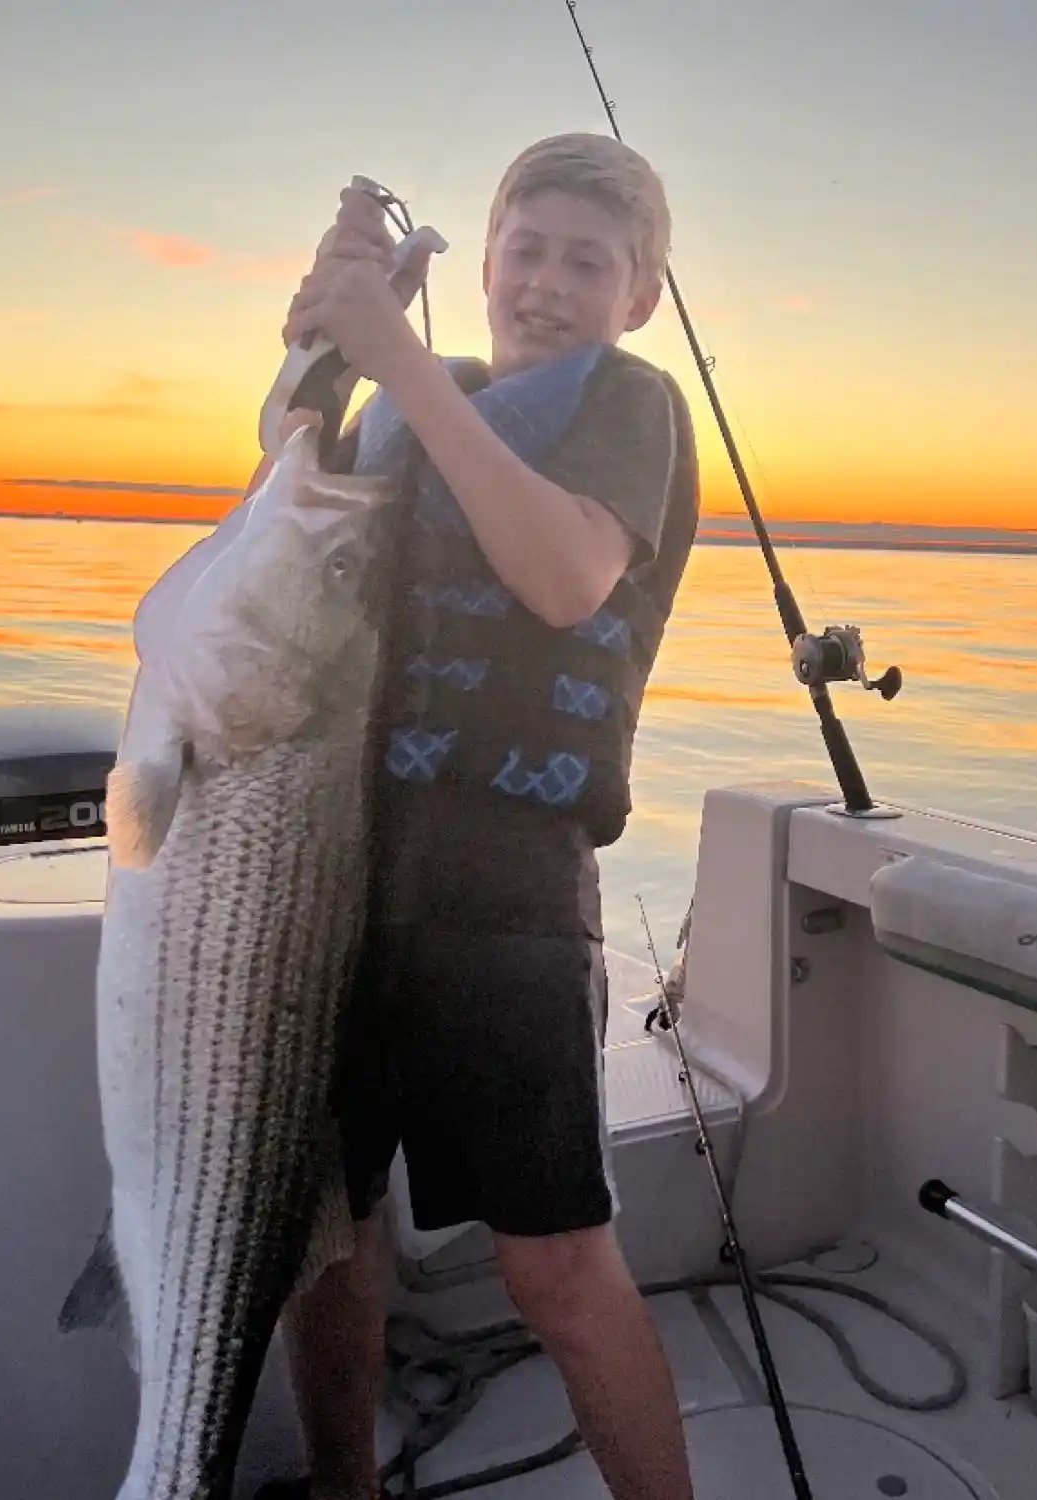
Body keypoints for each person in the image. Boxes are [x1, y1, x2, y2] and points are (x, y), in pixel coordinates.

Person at [257, 133, 701, 1500]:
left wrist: (393, 364)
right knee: (327, 1235)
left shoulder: (631, 406)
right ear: (488, 256)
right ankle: (346, 1487)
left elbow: (567, 576)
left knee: (555, 1263)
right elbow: (288, 466)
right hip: (341, 867)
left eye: (589, 262)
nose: (548, 284)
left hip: (508, 890)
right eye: (528, 250)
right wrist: (326, 329)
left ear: (635, 295)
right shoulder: (415, 394)